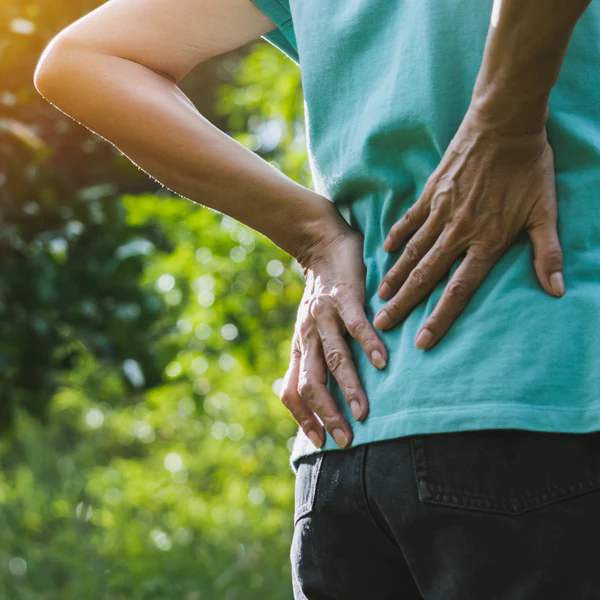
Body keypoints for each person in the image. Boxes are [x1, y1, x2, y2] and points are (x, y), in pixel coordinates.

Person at [32, 0, 600, 597]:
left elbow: (86, 59)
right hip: (549, 403)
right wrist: (503, 124)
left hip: (347, 448)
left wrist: (314, 234)